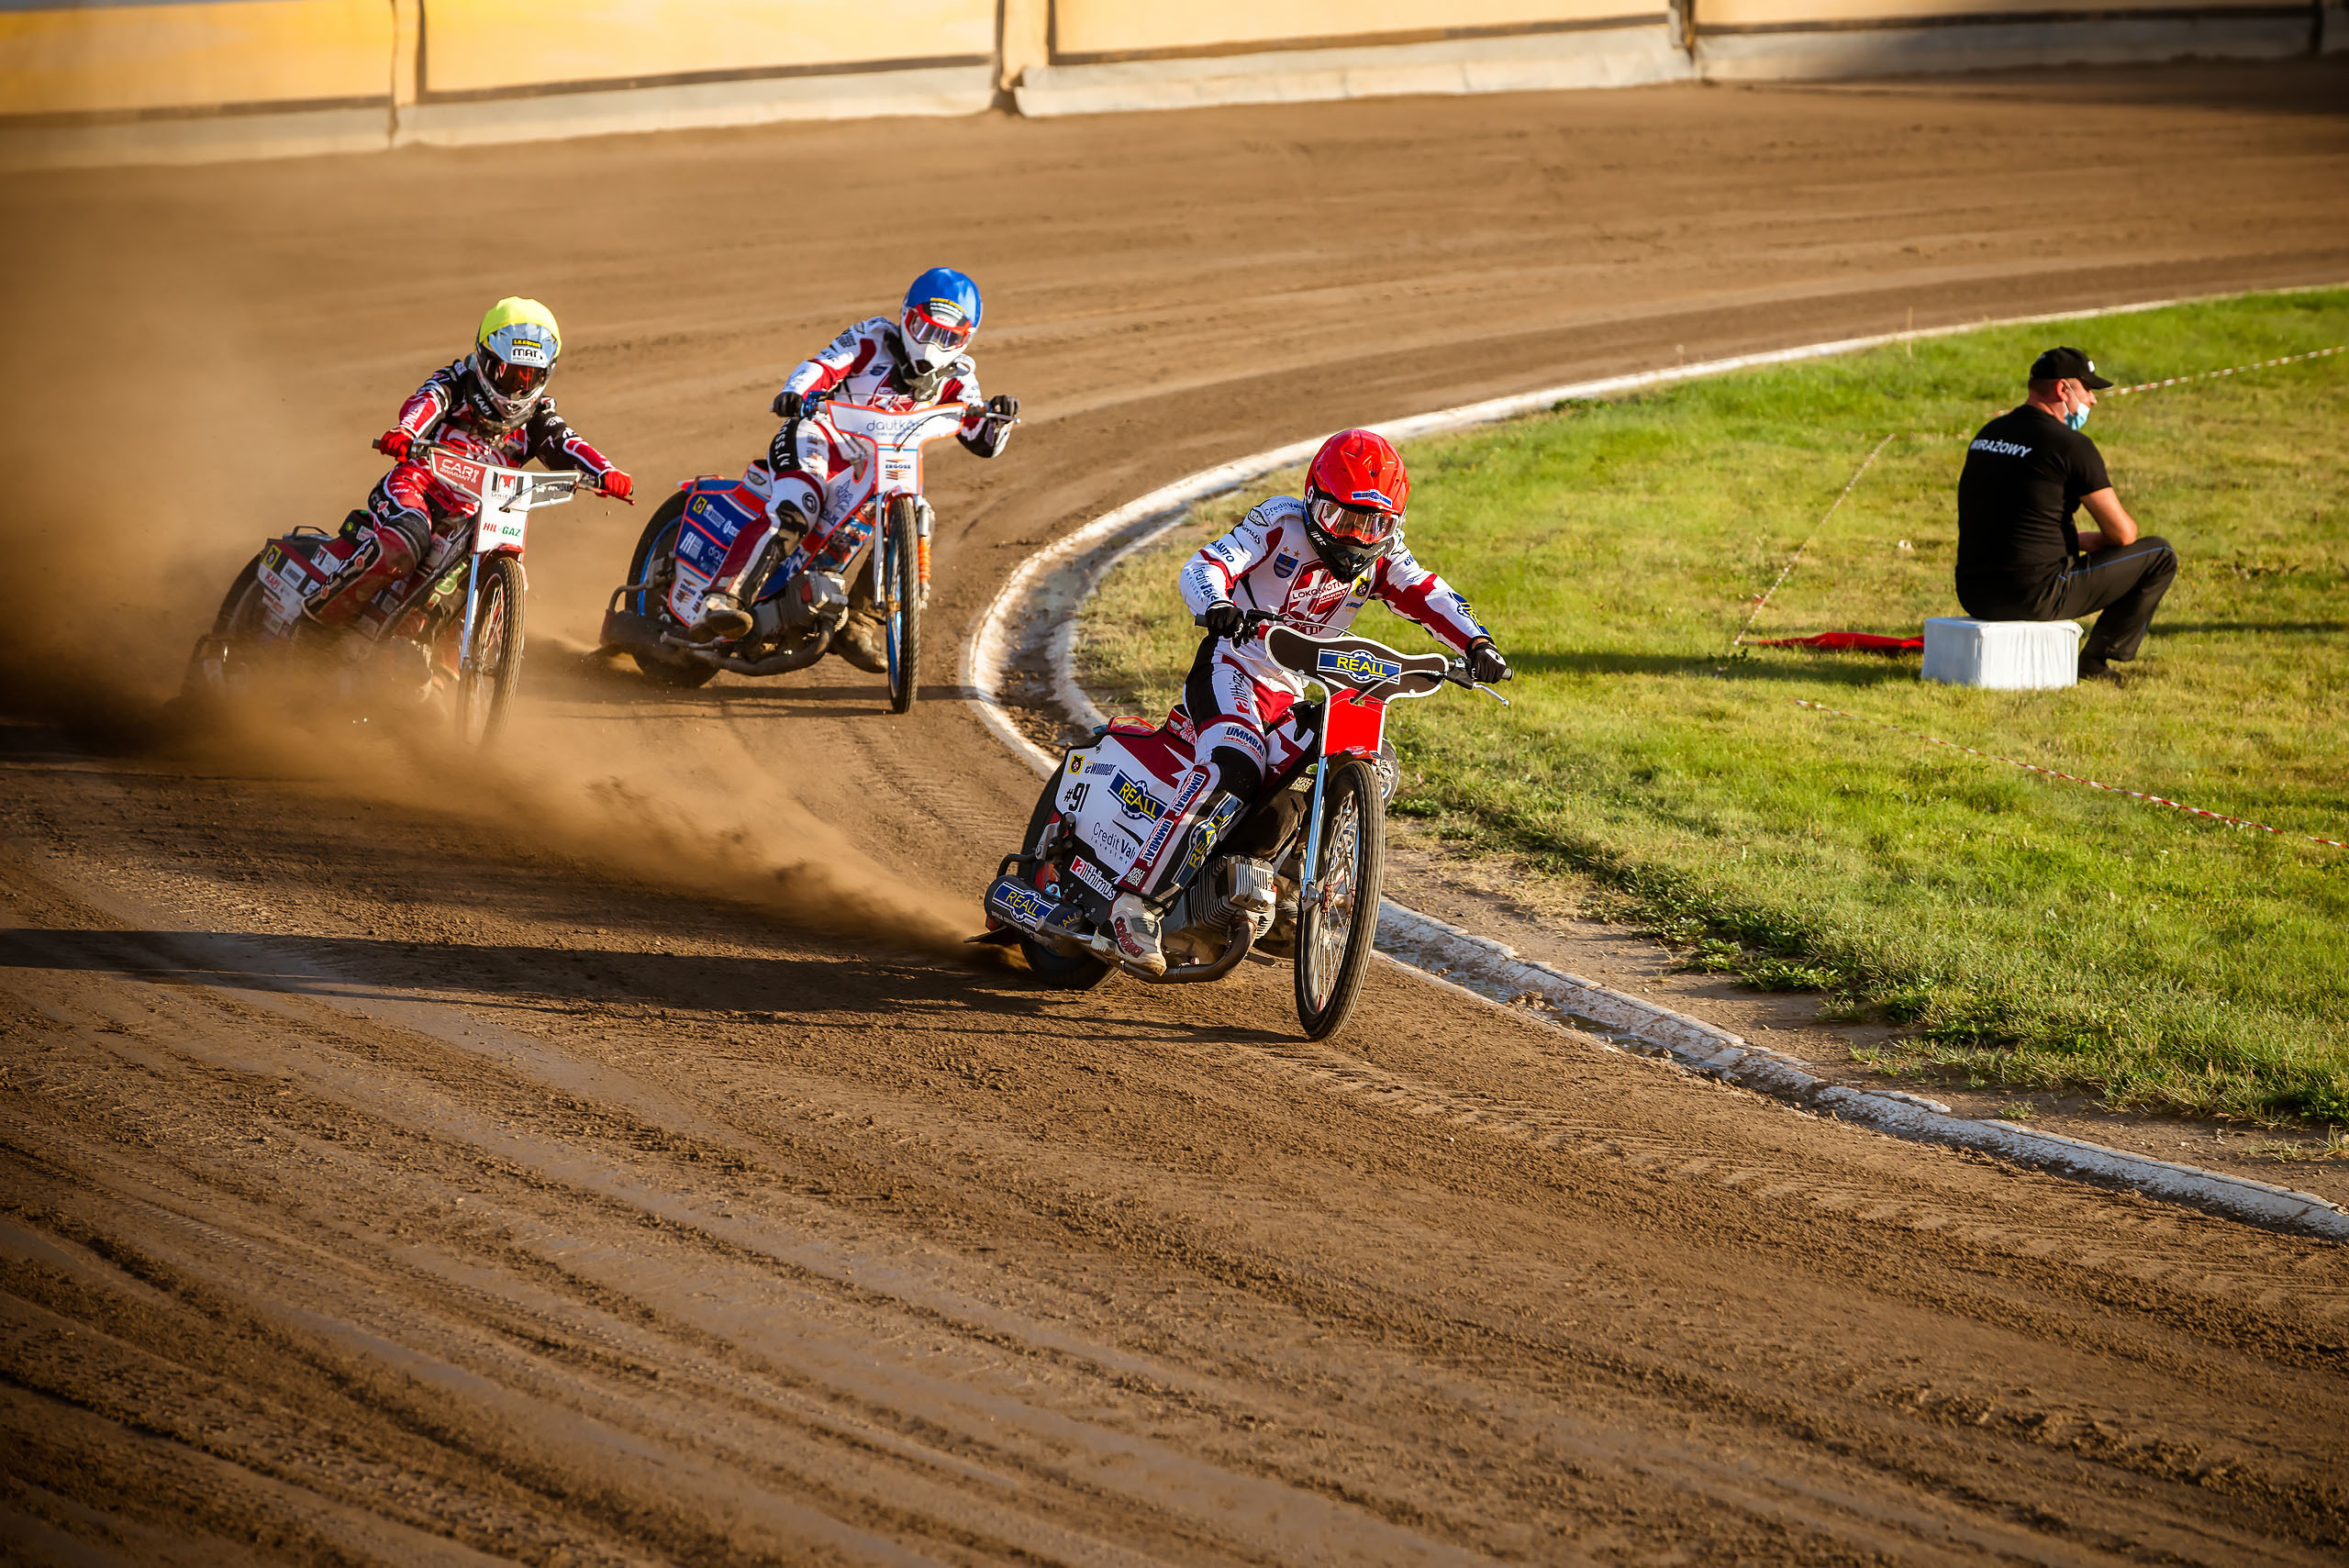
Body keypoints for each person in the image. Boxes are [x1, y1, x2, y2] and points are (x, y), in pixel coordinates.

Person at [1107, 428, 1510, 975]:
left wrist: (1476, 641)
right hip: (1232, 665)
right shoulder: (1277, 521)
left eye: (1375, 525)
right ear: (1313, 501)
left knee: (1373, 764)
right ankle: (1137, 905)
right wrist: (1217, 605)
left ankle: (1293, 884)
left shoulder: (1383, 555)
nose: (1358, 538)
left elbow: (1428, 592)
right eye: (1345, 520)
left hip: (1293, 687)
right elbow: (1203, 567)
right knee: (1236, 769)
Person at [689, 267, 1020, 666]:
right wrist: (794, 392)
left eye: (948, 338)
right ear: (906, 316)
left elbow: (981, 439)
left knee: (914, 514)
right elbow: (824, 365)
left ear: (965, 340)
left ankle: (858, 623)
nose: (933, 346)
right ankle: (724, 597)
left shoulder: (960, 376)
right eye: (926, 329)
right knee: (798, 506)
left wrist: (999, 419)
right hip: (817, 438)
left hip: (876, 468)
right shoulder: (873, 337)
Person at [305, 297, 630, 628]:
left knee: (499, 584)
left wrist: (606, 472)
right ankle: (316, 625)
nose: (517, 389)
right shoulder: (458, 382)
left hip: (476, 517)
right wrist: (405, 432)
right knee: (404, 543)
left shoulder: (537, 418)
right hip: (418, 487)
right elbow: (428, 400)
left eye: (528, 378)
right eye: (508, 374)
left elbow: (567, 442)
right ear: (486, 361)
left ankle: (443, 670)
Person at [1954, 346, 2175, 684]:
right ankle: (2095, 661)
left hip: (1974, 592)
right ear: (2063, 390)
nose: (2093, 401)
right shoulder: (2070, 445)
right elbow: (2123, 534)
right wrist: (2098, 543)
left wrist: (2075, 540)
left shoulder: (1988, 434)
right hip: (2034, 596)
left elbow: (2010, 520)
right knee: (2159, 554)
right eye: (2088, 390)